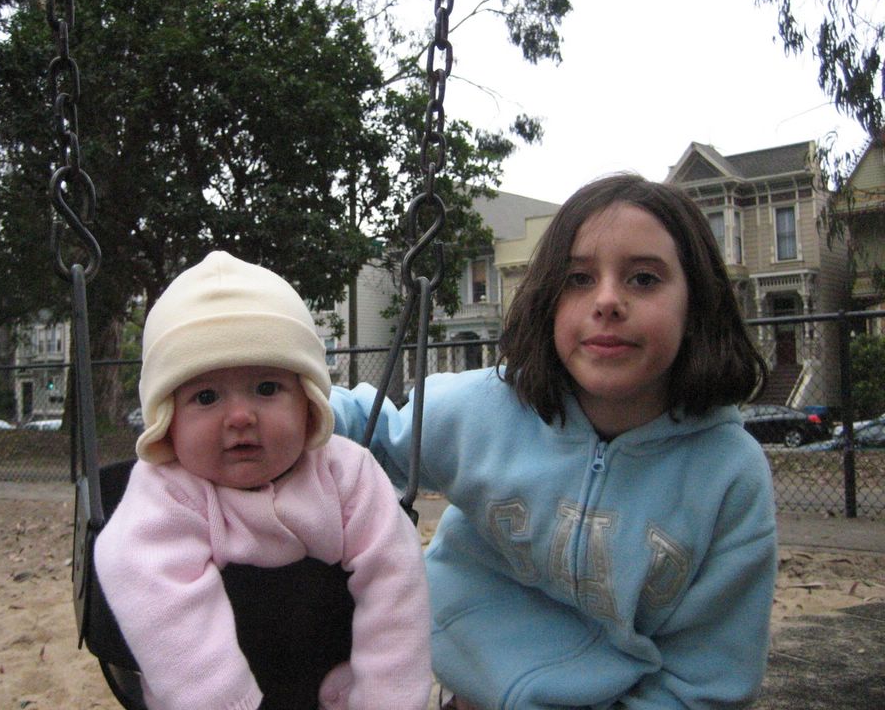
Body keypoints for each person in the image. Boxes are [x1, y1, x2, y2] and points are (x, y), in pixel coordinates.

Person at [331, 174, 778, 709]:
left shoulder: (728, 474)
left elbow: (707, 679)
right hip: (463, 689)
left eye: (643, 279)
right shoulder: (489, 409)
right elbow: (374, 432)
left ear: (696, 304)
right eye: (579, 279)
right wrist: (278, 397)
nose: (607, 301)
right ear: (549, 300)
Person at [95, 251, 432, 710]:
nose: (240, 416)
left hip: (336, 686)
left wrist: (385, 699)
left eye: (267, 388)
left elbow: (394, 581)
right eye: (206, 396)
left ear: (308, 402)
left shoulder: (346, 473)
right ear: (168, 420)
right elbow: (151, 586)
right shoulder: (166, 490)